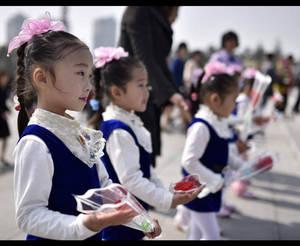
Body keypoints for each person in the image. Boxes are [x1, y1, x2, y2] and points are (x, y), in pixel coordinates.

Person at [10, 12, 160, 240]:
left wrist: (141, 220)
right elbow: (28, 215)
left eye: (90, 75)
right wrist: (83, 224)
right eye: (80, 73)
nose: (88, 85)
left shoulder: (79, 135)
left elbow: (108, 188)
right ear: (42, 78)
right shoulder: (36, 143)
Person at [90, 46, 202, 240]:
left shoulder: (128, 122)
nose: (147, 92)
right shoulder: (118, 131)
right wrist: (167, 200)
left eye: (147, 85)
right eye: (140, 85)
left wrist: (167, 192)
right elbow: (132, 180)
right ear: (117, 92)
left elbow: (146, 171)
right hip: (119, 222)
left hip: (131, 216)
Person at [180, 68, 249, 240]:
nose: (235, 105)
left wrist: (244, 166)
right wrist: (214, 179)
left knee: (195, 234)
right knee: (212, 236)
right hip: (199, 190)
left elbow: (223, 153)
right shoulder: (201, 126)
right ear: (216, 99)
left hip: (209, 187)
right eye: (233, 100)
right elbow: (189, 161)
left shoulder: (218, 122)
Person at [118, 6, 189, 167]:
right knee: (132, 161)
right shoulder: (138, 10)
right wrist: (170, 94)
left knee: (147, 157)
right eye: (176, 10)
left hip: (147, 94)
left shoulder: (154, 14)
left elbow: (160, 62)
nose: (177, 16)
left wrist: (175, 94)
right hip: (130, 96)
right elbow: (144, 58)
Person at [0, 70, 12, 167]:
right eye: (5, 77)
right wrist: (2, 112)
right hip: (1, 116)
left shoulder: (4, 88)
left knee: (5, 137)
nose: (6, 79)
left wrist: (8, 110)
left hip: (2, 118)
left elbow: (3, 103)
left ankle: (2, 157)